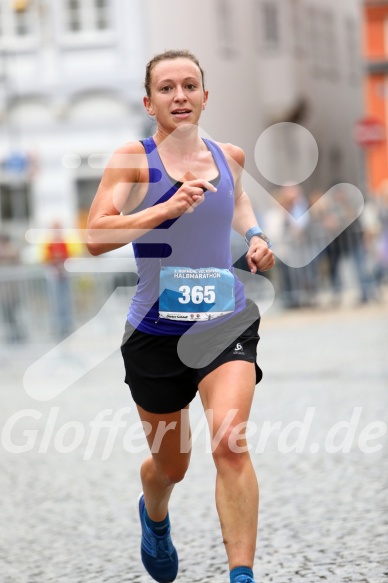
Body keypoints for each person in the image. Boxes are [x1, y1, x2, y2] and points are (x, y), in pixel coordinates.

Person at [86, 49, 274, 583]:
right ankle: (155, 513)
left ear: (205, 96)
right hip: (155, 334)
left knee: (229, 440)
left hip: (223, 320)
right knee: (173, 466)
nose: (180, 96)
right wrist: (164, 208)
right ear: (149, 102)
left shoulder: (228, 155)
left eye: (189, 86)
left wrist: (257, 237)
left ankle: (242, 575)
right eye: (167, 88)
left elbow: (238, 203)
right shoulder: (133, 159)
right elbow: (96, 235)